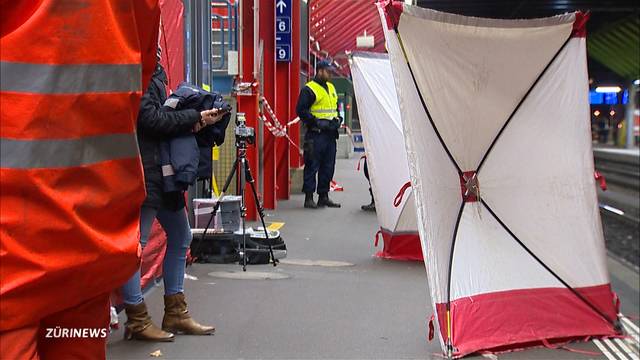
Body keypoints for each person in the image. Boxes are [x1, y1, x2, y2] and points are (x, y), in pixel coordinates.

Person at [119, 51, 223, 342]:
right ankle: (137, 319)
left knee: (180, 236)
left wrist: (194, 121)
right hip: (147, 169)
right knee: (136, 247)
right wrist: (193, 116)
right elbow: (149, 119)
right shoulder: (141, 69)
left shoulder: (150, 70)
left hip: (159, 171)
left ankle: (175, 313)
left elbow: (155, 117)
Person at [296, 59, 342, 209]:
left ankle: (324, 196)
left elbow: (334, 108)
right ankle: (309, 198)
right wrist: (315, 122)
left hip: (330, 134)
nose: (330, 74)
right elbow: (301, 110)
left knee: (328, 166)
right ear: (320, 70)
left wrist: (338, 119)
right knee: (312, 165)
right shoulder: (309, 89)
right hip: (316, 135)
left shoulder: (331, 87)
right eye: (327, 71)